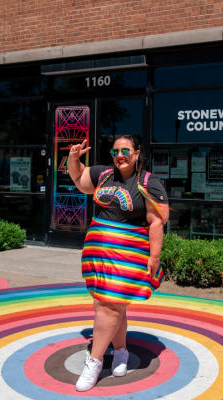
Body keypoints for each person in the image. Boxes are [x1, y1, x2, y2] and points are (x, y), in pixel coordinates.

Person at [68, 135, 169, 392]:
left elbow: (156, 221)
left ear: (136, 153)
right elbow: (80, 180)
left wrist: (154, 258)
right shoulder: (103, 174)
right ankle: (121, 351)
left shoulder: (149, 183)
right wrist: (72, 159)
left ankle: (95, 361)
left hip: (127, 256)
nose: (120, 155)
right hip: (98, 254)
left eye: (126, 150)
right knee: (109, 306)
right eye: (116, 151)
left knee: (108, 307)